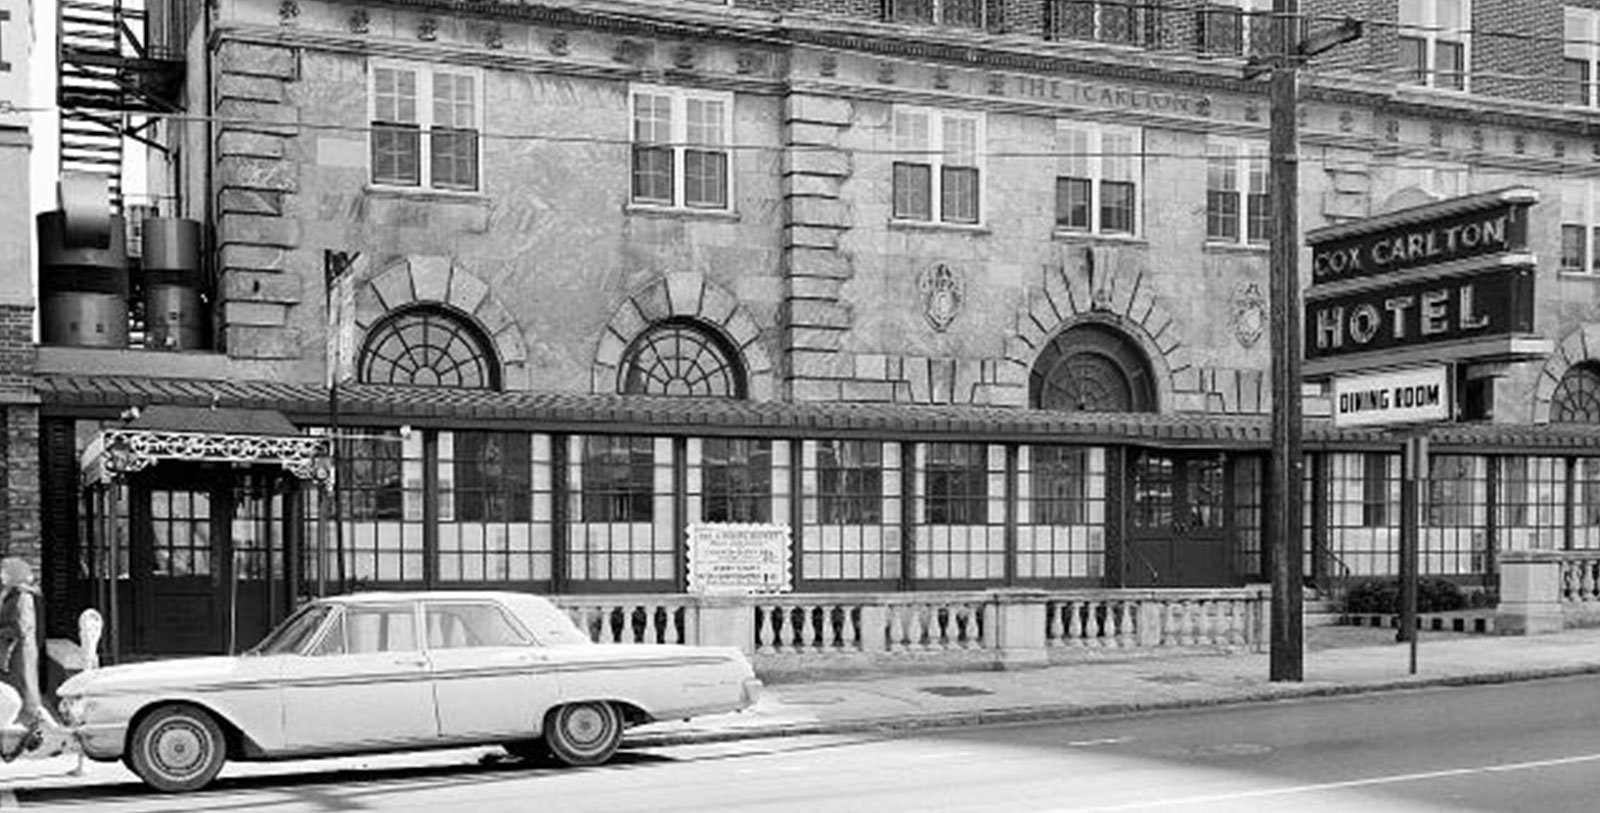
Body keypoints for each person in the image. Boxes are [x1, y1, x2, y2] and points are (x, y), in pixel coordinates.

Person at [0, 557, 57, 760]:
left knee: (22, 695)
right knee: (23, 697)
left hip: (18, 655)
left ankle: (48, 737)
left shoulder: (22, 597)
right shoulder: (14, 594)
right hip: (15, 652)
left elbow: (20, 627)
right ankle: (49, 735)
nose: (1, 575)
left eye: (5, 571)